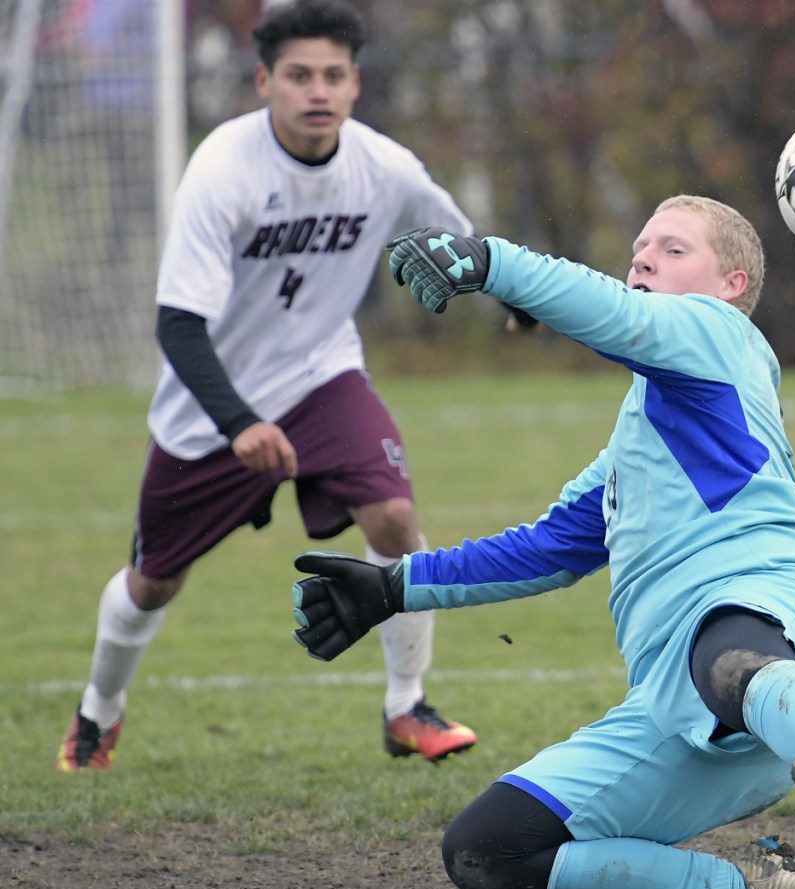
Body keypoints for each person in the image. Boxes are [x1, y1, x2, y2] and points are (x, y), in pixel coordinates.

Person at [288, 195, 795, 889]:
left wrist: (491, 262)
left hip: (779, 618)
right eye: (638, 248)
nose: (643, 258)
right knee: (486, 853)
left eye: (672, 248)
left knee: (726, 657)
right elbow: (547, 548)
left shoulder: (722, 336)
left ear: (730, 285)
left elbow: (616, 318)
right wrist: (393, 585)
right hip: (682, 709)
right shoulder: (638, 442)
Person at [56, 0, 478, 772]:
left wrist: (517, 300)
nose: (317, 91)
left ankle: (406, 705)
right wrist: (238, 422)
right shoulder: (222, 169)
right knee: (154, 582)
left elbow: (467, 246)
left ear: (355, 85)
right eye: (298, 76)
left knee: (392, 516)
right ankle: (97, 713)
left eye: (333, 75)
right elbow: (179, 326)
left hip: (323, 375)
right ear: (263, 82)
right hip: (208, 408)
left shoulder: (383, 166)